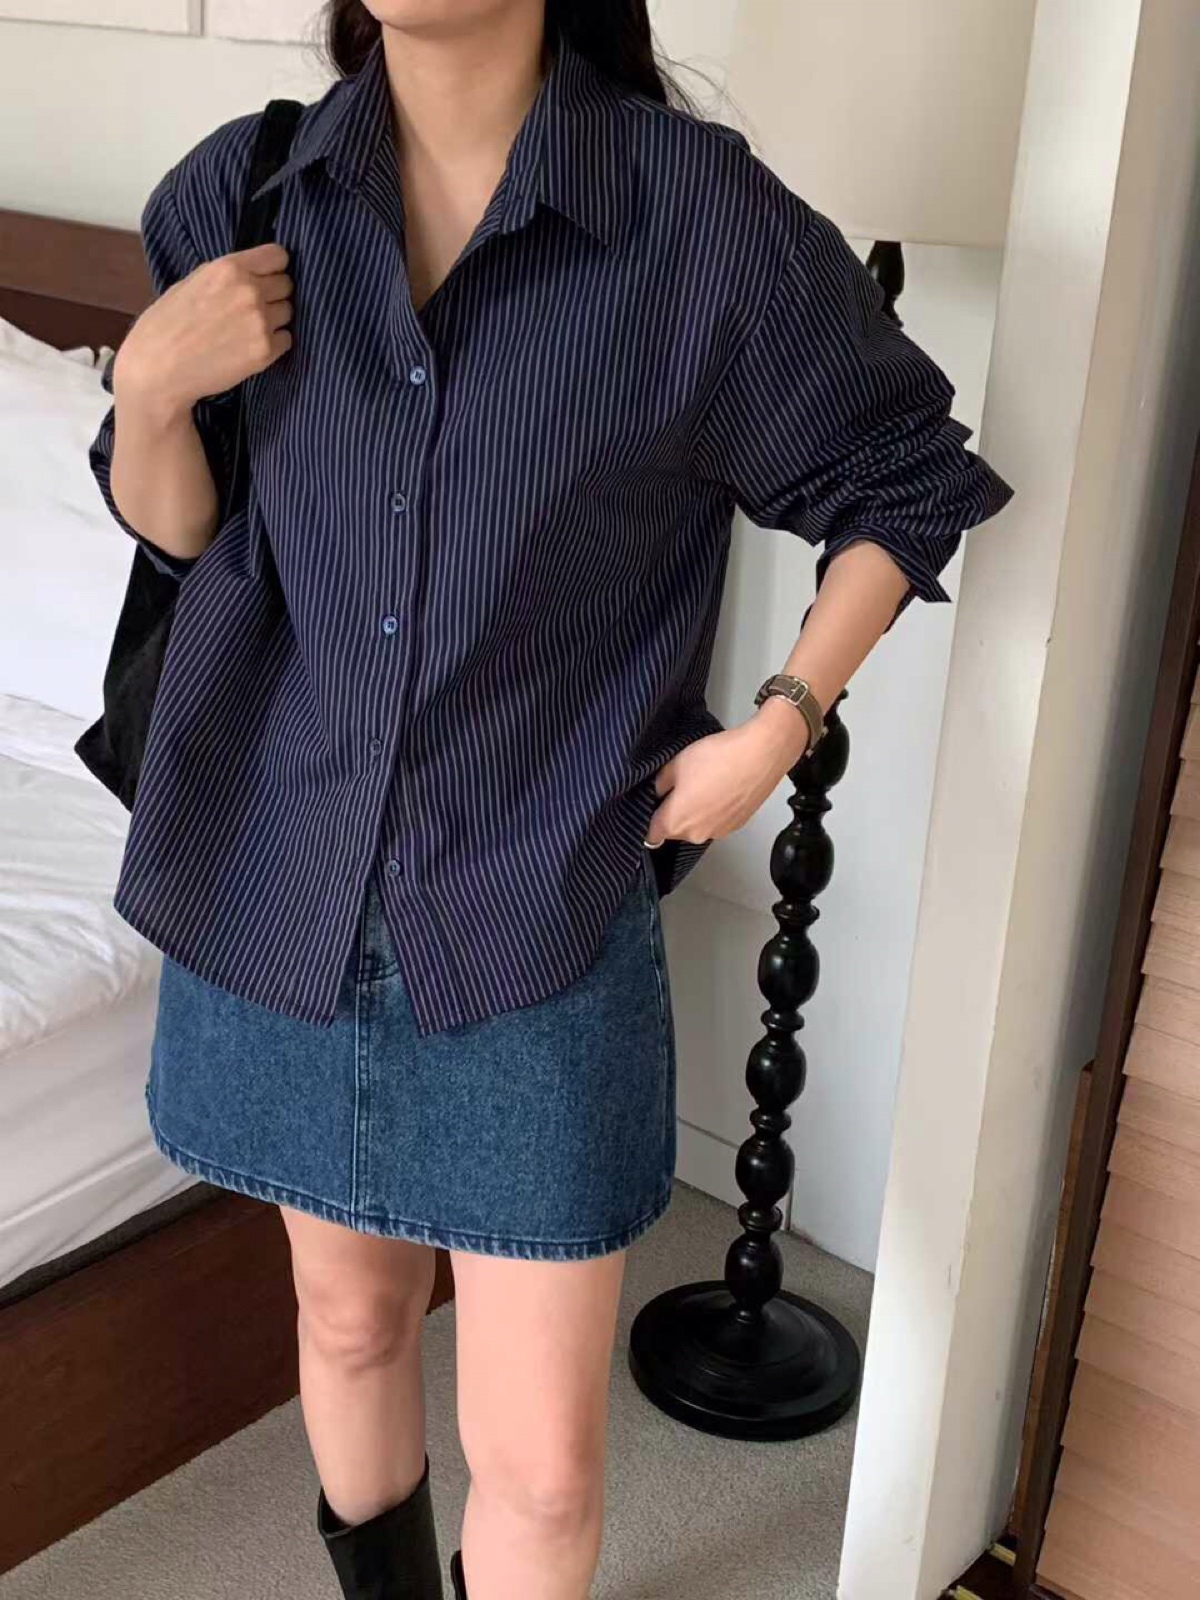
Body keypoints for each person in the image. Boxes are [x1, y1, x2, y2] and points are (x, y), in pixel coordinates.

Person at [87, 1, 1013, 1596]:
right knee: (347, 1319)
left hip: (535, 914)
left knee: (542, 1461)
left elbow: (905, 472)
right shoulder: (240, 192)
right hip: (278, 881)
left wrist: (782, 722)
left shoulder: (691, 217)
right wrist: (158, 390)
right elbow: (182, 539)